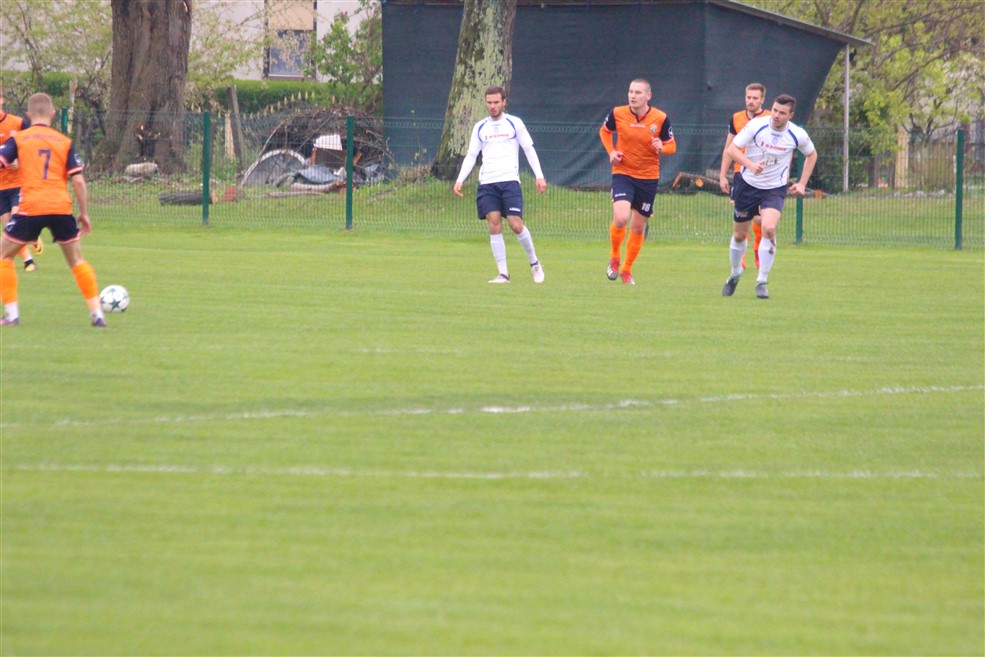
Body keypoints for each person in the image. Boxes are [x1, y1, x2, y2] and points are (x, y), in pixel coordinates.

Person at [0, 92, 105, 327]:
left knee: (3, 256)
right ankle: (97, 314)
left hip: (31, 207)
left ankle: (12, 315)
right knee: (77, 260)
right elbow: (78, 181)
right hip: (60, 207)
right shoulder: (64, 142)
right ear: (53, 114)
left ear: (28, 114)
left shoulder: (20, 139)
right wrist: (84, 214)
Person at [721, 94, 817, 299]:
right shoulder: (757, 125)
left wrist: (802, 183)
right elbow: (732, 149)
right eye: (774, 110)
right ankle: (735, 273)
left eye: (782, 112)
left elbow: (812, 154)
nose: (776, 115)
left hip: (774, 188)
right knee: (739, 235)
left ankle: (762, 281)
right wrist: (750, 165)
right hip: (747, 185)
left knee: (769, 228)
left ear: (790, 115)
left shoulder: (797, 134)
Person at [453, 85, 547, 284]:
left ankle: (534, 262)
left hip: (509, 181)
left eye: (496, 102)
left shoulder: (514, 123)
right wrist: (460, 179)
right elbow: (472, 154)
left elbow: (529, 149)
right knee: (494, 223)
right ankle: (503, 273)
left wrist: (539, 176)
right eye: (489, 103)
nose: (493, 106)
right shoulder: (480, 127)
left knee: (515, 224)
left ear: (504, 102)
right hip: (487, 183)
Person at [599, 78, 676, 285]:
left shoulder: (660, 118)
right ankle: (614, 258)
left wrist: (662, 147)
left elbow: (672, 146)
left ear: (648, 96)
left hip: (648, 178)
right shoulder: (618, 113)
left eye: (638, 92)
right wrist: (611, 151)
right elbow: (604, 131)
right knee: (621, 218)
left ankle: (626, 270)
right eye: (631, 91)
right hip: (623, 172)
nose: (633, 96)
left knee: (638, 228)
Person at [719, 82, 769, 270]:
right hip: (741, 174)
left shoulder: (770, 118)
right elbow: (729, 148)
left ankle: (758, 251)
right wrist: (723, 175)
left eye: (755, 98)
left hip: (763, 174)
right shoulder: (737, 118)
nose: (751, 101)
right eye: (748, 97)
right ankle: (740, 259)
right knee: (743, 220)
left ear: (762, 100)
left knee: (761, 220)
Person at [0, 86, 43, 271]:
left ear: (2, 100)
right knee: (9, 228)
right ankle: (28, 260)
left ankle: (32, 237)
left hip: (18, 182)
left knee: (17, 220)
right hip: (0, 186)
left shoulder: (17, 123)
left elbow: (33, 143)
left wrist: (20, 160)